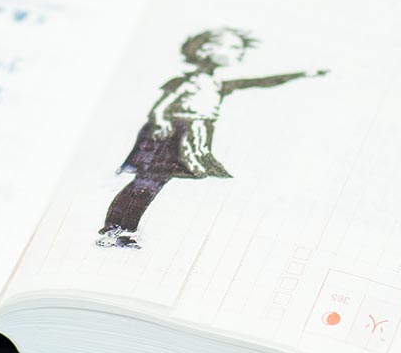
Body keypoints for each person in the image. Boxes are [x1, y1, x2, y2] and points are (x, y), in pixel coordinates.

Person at [97, 27, 326, 249]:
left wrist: (302, 74)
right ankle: (114, 229)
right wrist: (161, 121)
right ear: (205, 49)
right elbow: (160, 108)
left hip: (190, 137)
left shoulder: (217, 84)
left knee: (152, 184)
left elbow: (260, 81)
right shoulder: (190, 81)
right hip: (169, 137)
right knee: (145, 184)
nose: (239, 53)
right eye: (233, 47)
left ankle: (123, 230)